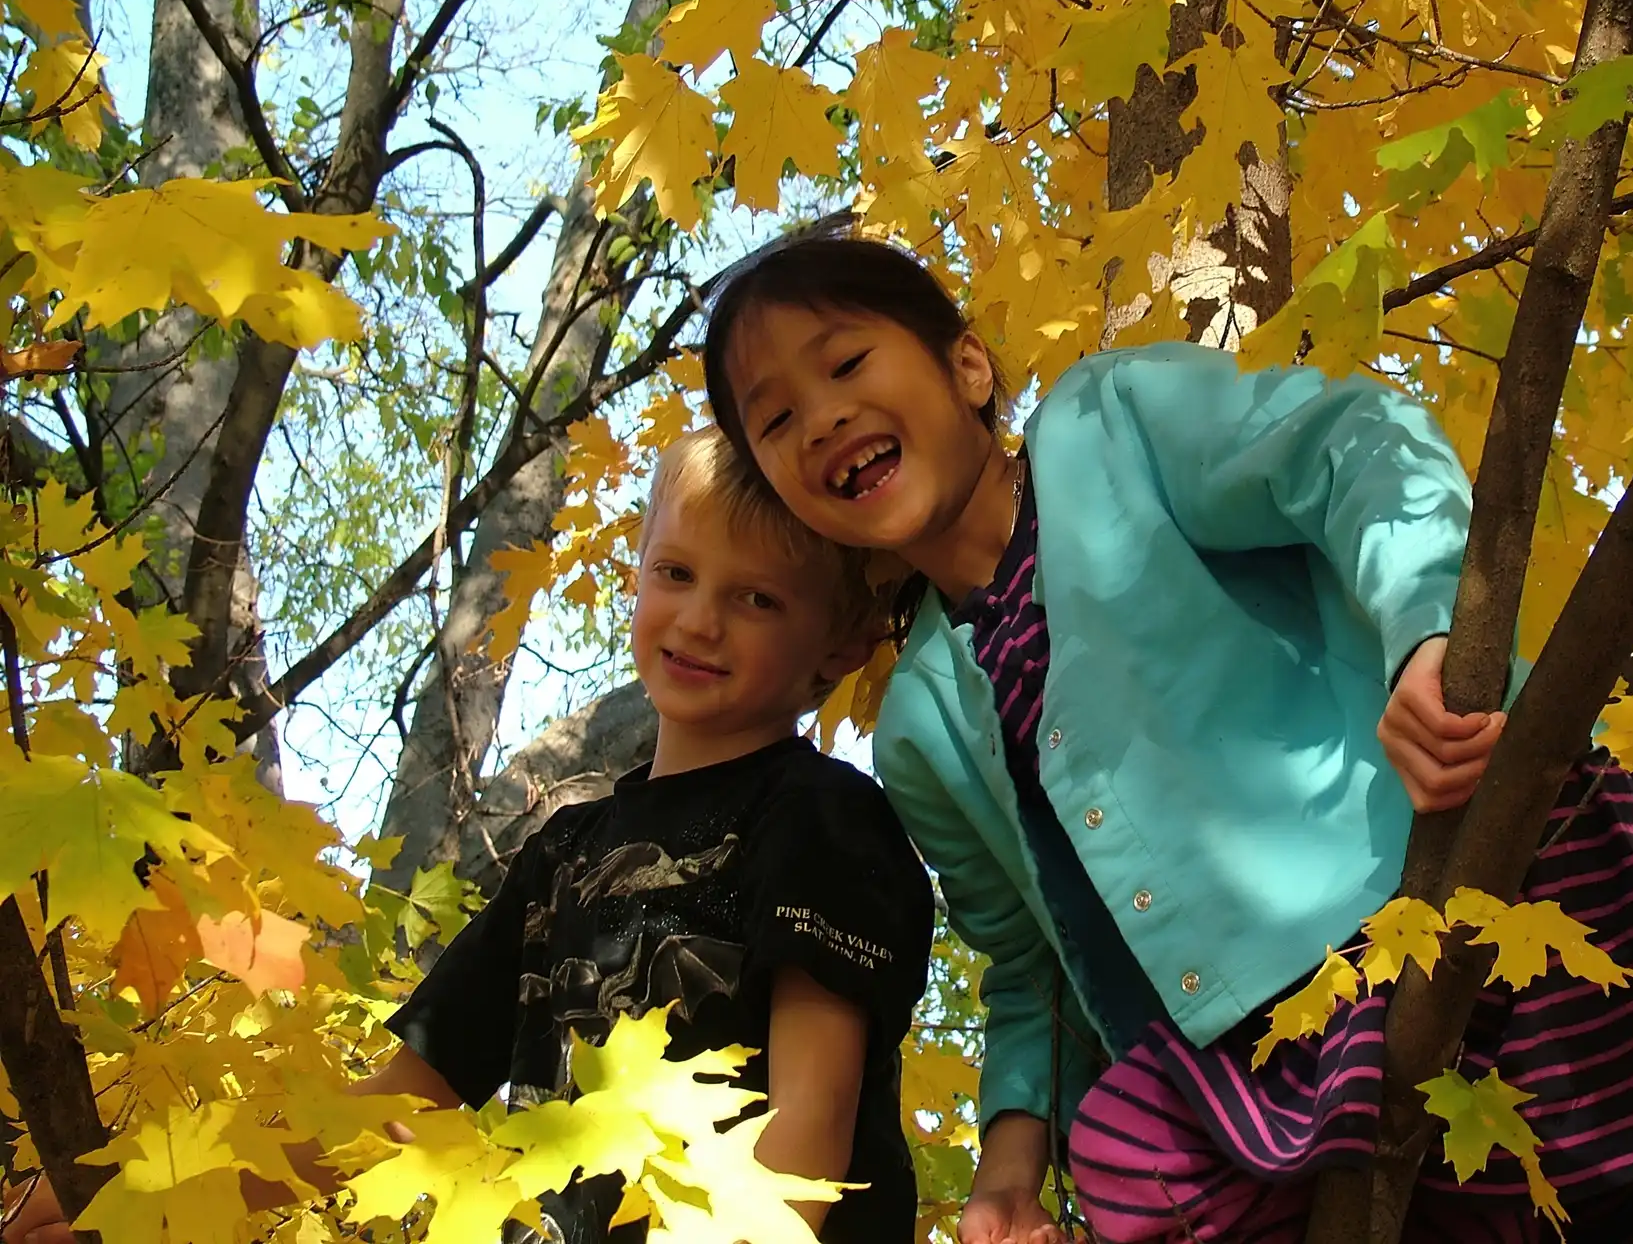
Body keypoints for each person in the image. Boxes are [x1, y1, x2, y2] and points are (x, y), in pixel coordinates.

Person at [696, 232, 1633, 1244]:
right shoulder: (921, 730)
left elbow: (1348, 447)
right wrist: (1007, 1168)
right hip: (1253, 1074)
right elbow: (1029, 965)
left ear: (967, 367)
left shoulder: (1113, 425)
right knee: (1124, 1150)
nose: (825, 417)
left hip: (1444, 893)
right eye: (778, 420)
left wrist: (1426, 635)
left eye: (846, 365)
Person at [2, 426, 935, 1244]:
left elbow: (814, 1124)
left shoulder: (823, 817)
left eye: (758, 599)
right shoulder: (565, 852)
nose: (699, 619)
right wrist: (145, 1190)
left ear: (841, 646)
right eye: (677, 573)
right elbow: (405, 1103)